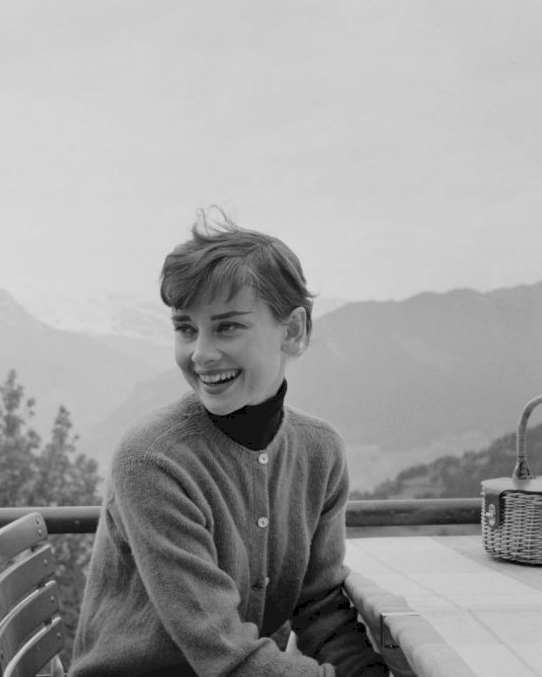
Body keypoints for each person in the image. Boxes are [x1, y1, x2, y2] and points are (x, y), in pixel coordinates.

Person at [70, 211, 400, 676]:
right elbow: (226, 654)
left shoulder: (319, 451)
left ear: (293, 331)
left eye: (227, 327)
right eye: (186, 328)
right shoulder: (153, 460)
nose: (201, 354)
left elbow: (320, 606)